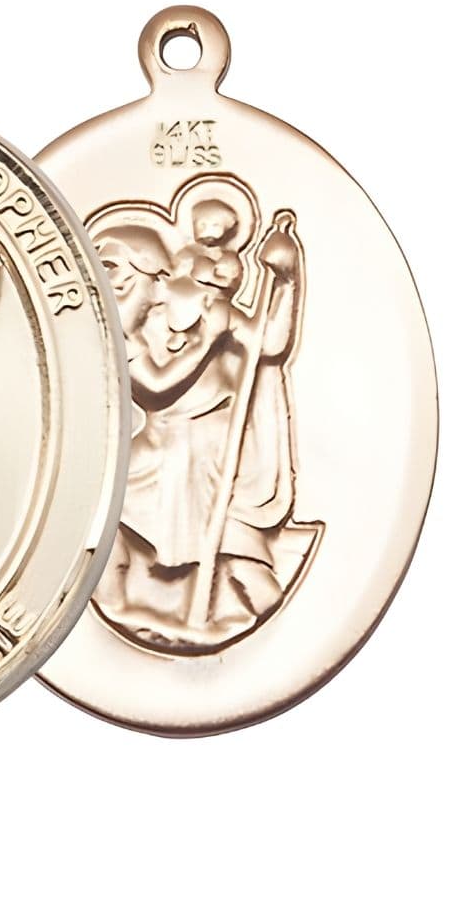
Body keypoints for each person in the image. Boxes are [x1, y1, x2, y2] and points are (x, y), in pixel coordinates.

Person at [91, 188, 319, 651]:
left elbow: (270, 344)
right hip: (154, 453)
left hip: (211, 455)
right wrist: (206, 341)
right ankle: (115, 606)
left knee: (238, 554)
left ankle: (286, 636)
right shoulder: (134, 335)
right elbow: (154, 387)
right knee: (114, 529)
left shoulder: (220, 314)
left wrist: (286, 279)